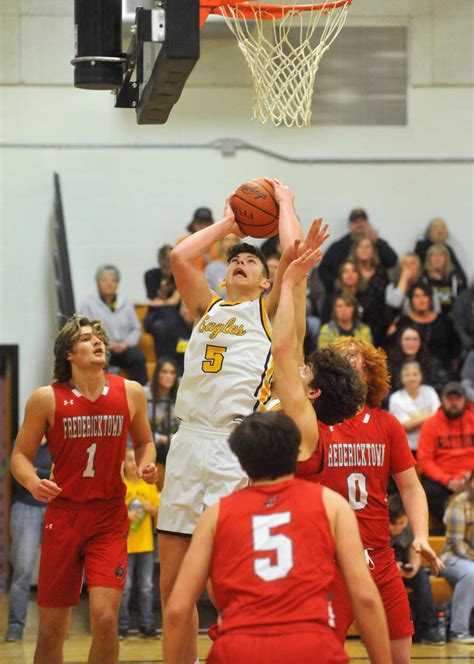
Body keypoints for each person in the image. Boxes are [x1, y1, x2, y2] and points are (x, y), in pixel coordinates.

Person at [157, 181, 311, 663]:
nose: (240, 262)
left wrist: (284, 204)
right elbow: (182, 258)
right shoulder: (209, 307)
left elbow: (294, 257)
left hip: (233, 447)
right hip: (186, 445)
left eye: (252, 262)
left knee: (229, 591)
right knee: (173, 596)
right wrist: (229, 223)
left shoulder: (269, 313)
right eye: (234, 260)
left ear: (268, 281)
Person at [271, 250, 443, 664]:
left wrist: (419, 535)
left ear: (370, 374)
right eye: (341, 361)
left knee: (398, 655)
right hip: (327, 555)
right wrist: (296, 282)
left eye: (356, 361)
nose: (347, 366)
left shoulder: (387, 424)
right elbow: (286, 351)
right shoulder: (314, 419)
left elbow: (411, 486)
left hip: (379, 555)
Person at [164, 411, 392, 664]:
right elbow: (366, 597)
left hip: (239, 647)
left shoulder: (217, 514)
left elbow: (176, 610)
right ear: (297, 451)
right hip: (310, 647)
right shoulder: (331, 504)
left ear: (241, 460)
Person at [10, 314, 157, 664]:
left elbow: (146, 441)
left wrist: (147, 463)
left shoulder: (130, 391)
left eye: (99, 337)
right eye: (86, 339)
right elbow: (19, 456)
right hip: (64, 516)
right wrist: (32, 481)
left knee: (106, 619)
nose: (97, 342)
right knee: (51, 630)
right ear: (68, 354)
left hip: (108, 517)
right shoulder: (46, 399)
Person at [4, 439, 52, 642]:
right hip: (26, 508)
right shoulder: (24, 441)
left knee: (57, 575)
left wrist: (35, 473)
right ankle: (15, 626)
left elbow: (65, 476)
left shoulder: (61, 440)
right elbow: (17, 472)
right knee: (22, 571)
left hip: (55, 509)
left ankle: (53, 629)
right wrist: (44, 474)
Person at [417, 382, 474, 532]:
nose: (454, 403)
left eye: (458, 398)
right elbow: (424, 461)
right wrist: (448, 480)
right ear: (442, 400)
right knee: (428, 492)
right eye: (450, 399)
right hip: (443, 481)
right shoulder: (430, 424)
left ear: (464, 400)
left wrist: (470, 478)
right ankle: (455, 530)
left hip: (471, 477)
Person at [388, 494, 444, 645]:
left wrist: (413, 567)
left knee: (421, 576)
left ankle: (428, 628)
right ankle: (383, 630)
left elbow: (415, 552)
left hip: (402, 565)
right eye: (394, 524)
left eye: (402, 522)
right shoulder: (378, 528)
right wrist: (392, 566)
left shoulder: (410, 527)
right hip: (383, 566)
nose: (399, 527)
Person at [80, 264, 148, 385]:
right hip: (102, 348)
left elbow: (136, 329)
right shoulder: (88, 304)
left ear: (117, 283)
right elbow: (86, 331)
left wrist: (126, 343)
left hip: (124, 348)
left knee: (138, 357)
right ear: (98, 283)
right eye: (105, 280)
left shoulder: (125, 302)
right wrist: (106, 344)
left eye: (113, 280)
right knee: (99, 359)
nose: (109, 283)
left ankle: (141, 394)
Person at [118, 448, 160, 640]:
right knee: (124, 589)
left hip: (146, 545)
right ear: (123, 465)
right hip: (125, 546)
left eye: (136, 460)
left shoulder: (148, 486)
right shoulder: (121, 486)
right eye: (129, 460)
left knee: (146, 587)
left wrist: (148, 507)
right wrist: (126, 515)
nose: (134, 464)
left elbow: (157, 510)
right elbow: (112, 512)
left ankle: (147, 625)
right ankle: (122, 626)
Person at [396, 283, 462, 389]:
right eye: (417, 296)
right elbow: (396, 348)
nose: (421, 300)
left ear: (430, 299)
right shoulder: (403, 321)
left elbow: (455, 348)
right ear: (411, 300)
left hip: (441, 371)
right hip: (410, 370)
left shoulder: (444, 321)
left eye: (425, 295)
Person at [318, 207, 398, 293]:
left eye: (362, 221)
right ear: (349, 225)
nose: (359, 224)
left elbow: (392, 261)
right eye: (355, 221)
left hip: (375, 291)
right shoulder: (338, 247)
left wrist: (377, 241)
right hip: (344, 294)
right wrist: (339, 287)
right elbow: (323, 270)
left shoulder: (376, 242)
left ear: (368, 224)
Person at [440, 469, 474, 644]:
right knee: (471, 574)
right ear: (470, 482)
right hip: (452, 558)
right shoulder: (459, 503)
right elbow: (457, 544)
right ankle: (458, 631)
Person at [388, 359, 440, 454]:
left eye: (415, 374)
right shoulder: (395, 398)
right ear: (401, 377)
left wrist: (414, 418)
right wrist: (427, 414)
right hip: (407, 448)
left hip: (431, 445)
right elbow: (404, 426)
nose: (411, 378)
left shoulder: (429, 391)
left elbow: (439, 418)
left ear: (421, 376)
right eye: (407, 375)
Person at [143, 245, 182, 359]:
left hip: (173, 314)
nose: (168, 272)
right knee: (159, 326)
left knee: (167, 324)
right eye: (165, 268)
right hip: (155, 315)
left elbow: (174, 301)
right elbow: (153, 301)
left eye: (170, 268)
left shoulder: (179, 274)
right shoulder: (150, 275)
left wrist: (163, 300)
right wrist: (163, 293)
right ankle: (163, 361)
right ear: (159, 264)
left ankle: (171, 363)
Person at [146, 357, 180, 488]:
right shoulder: (145, 394)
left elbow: (183, 425)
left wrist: (173, 438)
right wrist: (160, 439)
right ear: (157, 374)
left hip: (172, 442)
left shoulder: (179, 396)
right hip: (151, 442)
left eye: (172, 373)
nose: (169, 376)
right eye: (164, 372)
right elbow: (139, 427)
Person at [414, 217, 467, 290]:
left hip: (446, 285)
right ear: (429, 231)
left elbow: (460, 274)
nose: (440, 230)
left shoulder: (448, 248)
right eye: (435, 227)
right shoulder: (422, 246)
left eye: (443, 227)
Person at [387, 325, 434, 393]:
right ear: (400, 342)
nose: (411, 343)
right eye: (407, 339)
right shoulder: (390, 364)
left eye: (415, 339)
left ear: (421, 342)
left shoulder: (431, 362)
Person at [422, 243, 459, 314]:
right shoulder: (423, 279)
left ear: (446, 259)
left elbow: (459, 301)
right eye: (433, 255)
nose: (437, 258)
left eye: (441, 255)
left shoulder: (454, 279)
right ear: (429, 259)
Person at [204, 234, 241, 298]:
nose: (231, 243)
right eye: (227, 240)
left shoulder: (245, 266)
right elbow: (206, 295)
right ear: (221, 244)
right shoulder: (211, 268)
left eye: (234, 240)